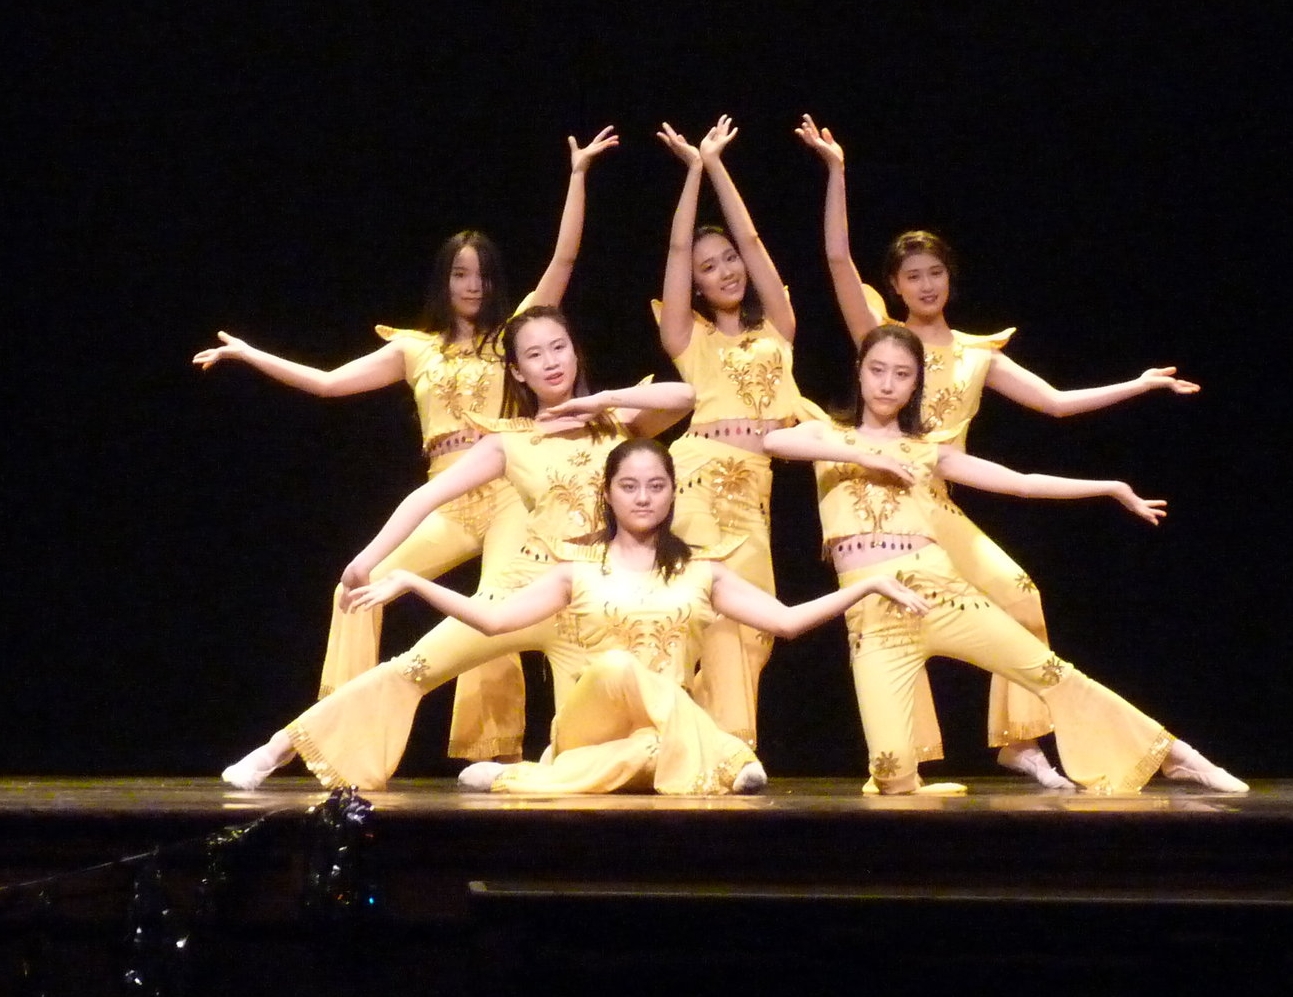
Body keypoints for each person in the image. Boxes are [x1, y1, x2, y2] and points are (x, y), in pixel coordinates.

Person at [799, 114, 1200, 789]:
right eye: (911, 276)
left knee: (1018, 593)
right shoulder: (884, 341)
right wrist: (836, 172)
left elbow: (1056, 402)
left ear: (948, 280)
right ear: (893, 286)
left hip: (940, 499)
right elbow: (837, 261)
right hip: (887, 507)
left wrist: (1138, 383)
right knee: (901, 617)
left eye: (934, 274)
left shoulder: (977, 354)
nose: (925, 285)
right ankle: (906, 757)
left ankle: (1018, 742)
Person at [194, 129, 616, 762]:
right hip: (446, 494)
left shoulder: (514, 338)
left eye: (482, 275)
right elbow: (330, 382)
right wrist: (249, 354)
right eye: (460, 275)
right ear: (443, 282)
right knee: (358, 585)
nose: (473, 286)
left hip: (508, 490)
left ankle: (491, 751)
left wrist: (578, 176)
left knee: (495, 604)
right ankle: (336, 726)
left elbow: (562, 264)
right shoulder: (413, 347)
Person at [219, 305, 694, 790]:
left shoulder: (617, 422)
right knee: (413, 667)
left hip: (592, 604)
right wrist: (366, 560)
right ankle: (279, 747)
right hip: (522, 591)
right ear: (517, 371)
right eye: (534, 354)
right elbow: (426, 496)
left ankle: (515, 773)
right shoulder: (510, 442)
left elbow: (686, 395)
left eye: (559, 347)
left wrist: (600, 401)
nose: (550, 362)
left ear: (575, 351)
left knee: (608, 740)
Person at [763, 324, 1245, 797]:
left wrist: (1109, 488)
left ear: (916, 385)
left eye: (902, 374)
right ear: (859, 372)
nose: (887, 384)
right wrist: (869, 456)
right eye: (878, 370)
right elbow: (775, 443)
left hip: (941, 594)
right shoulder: (823, 435)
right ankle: (906, 783)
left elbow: (1023, 480)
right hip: (874, 616)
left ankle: (1178, 756)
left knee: (1052, 673)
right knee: (889, 775)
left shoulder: (927, 451)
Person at [354, 438, 928, 795]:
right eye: (629, 486)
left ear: (674, 494)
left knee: (648, 749)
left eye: (656, 486)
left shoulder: (704, 573)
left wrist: (869, 583)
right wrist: (412, 579)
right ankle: (723, 757)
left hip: (660, 742)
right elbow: (495, 622)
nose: (644, 497)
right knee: (618, 667)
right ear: (608, 493)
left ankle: (516, 777)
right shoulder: (576, 571)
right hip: (589, 726)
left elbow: (786, 621)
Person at [651, 115, 810, 747]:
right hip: (697, 479)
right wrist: (691, 173)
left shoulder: (778, 325)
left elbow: (752, 236)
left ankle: (701, 736)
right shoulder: (688, 336)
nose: (725, 270)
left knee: (754, 626)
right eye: (710, 266)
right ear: (695, 282)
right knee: (701, 614)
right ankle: (727, 746)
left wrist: (717, 164)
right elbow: (676, 249)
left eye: (730, 262)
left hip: (755, 491)